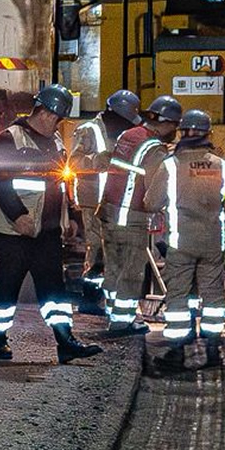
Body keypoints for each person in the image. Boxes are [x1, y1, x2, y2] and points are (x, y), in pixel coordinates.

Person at [0, 84, 104, 364]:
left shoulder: (56, 142)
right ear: (48, 114)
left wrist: (72, 218)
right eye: (58, 119)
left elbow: (64, 181)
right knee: (8, 282)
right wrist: (19, 216)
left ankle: (65, 342)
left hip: (47, 230)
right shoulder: (9, 139)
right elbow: (0, 183)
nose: (58, 124)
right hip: (13, 230)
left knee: (53, 287)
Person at [142, 110, 225, 371]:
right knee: (214, 296)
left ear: (183, 132)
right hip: (212, 243)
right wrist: (224, 236)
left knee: (178, 298)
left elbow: (150, 203)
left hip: (180, 243)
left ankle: (177, 353)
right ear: (208, 134)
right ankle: (212, 349)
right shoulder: (223, 167)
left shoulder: (171, 166)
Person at [97, 95, 181, 337]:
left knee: (114, 268)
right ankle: (123, 322)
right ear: (165, 122)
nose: (175, 131)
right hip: (130, 216)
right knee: (132, 272)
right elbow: (156, 188)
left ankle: (114, 314)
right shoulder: (154, 148)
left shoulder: (129, 135)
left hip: (108, 211)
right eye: (174, 125)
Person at [68, 89, 142, 315]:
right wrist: (98, 160)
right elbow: (74, 163)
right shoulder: (88, 131)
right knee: (97, 249)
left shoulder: (129, 133)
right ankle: (90, 299)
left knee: (117, 250)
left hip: (120, 202)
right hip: (94, 200)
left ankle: (112, 300)